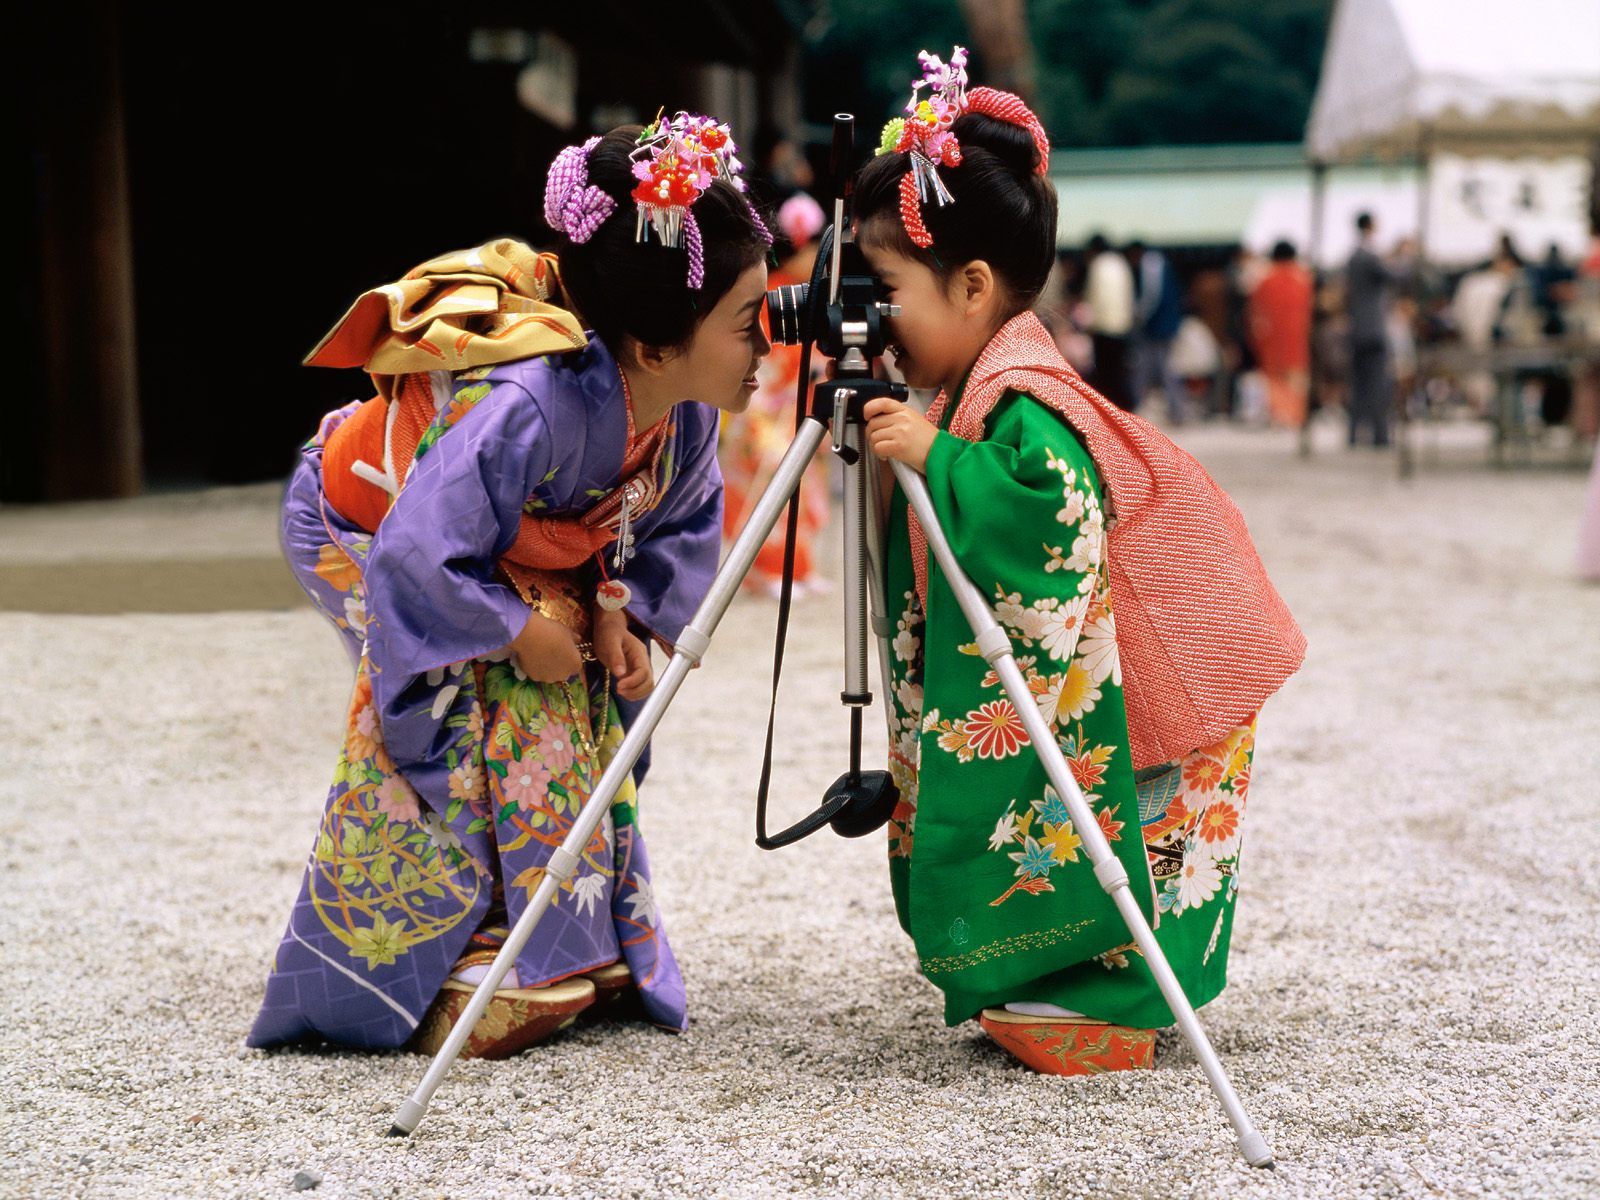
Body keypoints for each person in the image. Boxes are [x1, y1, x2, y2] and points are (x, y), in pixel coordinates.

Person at [247, 114, 774, 1057]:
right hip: (367, 519)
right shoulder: (527, 402)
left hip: (492, 550)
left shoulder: (683, 417)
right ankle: (424, 952)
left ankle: (561, 925)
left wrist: (623, 613)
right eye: (747, 322)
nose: (770, 343)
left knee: (578, 687)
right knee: (461, 704)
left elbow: (664, 531)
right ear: (654, 347)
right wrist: (507, 625)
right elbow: (418, 556)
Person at [852, 50, 1305, 1076]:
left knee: (1139, 844)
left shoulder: (1018, 398)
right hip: (1152, 659)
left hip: (1175, 682)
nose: (869, 318)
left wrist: (938, 459)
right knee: (1115, 838)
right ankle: (1071, 988)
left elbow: (1048, 518)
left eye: (883, 291)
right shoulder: (991, 377)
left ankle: (1119, 1001)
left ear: (971, 286)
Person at [717, 192, 832, 596]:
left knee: (806, 484)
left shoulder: (809, 293)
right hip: (764, 408)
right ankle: (766, 570)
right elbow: (766, 355)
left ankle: (800, 567)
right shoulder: (771, 293)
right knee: (771, 485)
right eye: (816, 250)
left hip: (798, 405)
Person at [1345, 212, 1397, 445]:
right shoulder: (1370, 256)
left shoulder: (1353, 256)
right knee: (1377, 383)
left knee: (1358, 384)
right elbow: (1397, 276)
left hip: (1356, 327)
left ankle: (1355, 435)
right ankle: (1379, 435)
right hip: (1373, 329)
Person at [1249, 240, 1313, 427]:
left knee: (1274, 379)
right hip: (1298, 337)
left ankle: (1279, 415)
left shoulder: (1264, 280)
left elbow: (1256, 313)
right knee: (1296, 378)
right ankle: (1296, 415)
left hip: (1272, 338)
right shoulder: (1304, 280)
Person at [1128, 240, 1187, 423]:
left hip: (1158, 327)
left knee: (1159, 369)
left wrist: (1138, 317)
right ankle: (1176, 412)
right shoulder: (1160, 263)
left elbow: (1151, 296)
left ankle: (1176, 412)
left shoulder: (1151, 263)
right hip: (1163, 325)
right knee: (1158, 369)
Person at [1082, 232, 1136, 410]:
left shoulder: (1098, 265)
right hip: (1122, 325)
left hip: (1103, 326)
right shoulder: (1121, 263)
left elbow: (1093, 297)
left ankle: (1107, 406)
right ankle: (1125, 405)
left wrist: (1090, 323)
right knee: (1119, 370)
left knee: (1104, 372)